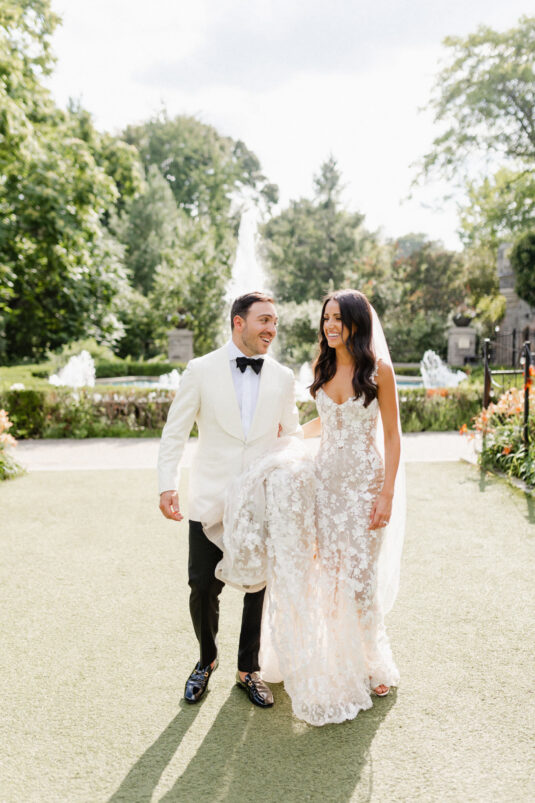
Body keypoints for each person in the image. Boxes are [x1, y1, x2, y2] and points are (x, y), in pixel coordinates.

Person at [216, 289, 404, 726]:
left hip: (364, 487)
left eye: (338, 318)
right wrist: (291, 434)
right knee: (330, 578)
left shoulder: (379, 370)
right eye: (327, 318)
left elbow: (392, 436)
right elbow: (328, 420)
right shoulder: (324, 365)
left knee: (359, 579)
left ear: (357, 322)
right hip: (324, 485)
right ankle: (339, 659)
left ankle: (372, 662)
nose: (330, 325)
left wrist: (387, 494)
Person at [157, 291, 303, 708]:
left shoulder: (282, 377)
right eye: (264, 320)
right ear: (238, 322)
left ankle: (248, 669)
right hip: (210, 497)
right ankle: (206, 660)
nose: (271, 329)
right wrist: (167, 484)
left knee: (258, 588)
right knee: (202, 585)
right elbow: (175, 432)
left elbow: (291, 433)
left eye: (274, 322)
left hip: (261, 499)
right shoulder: (200, 370)